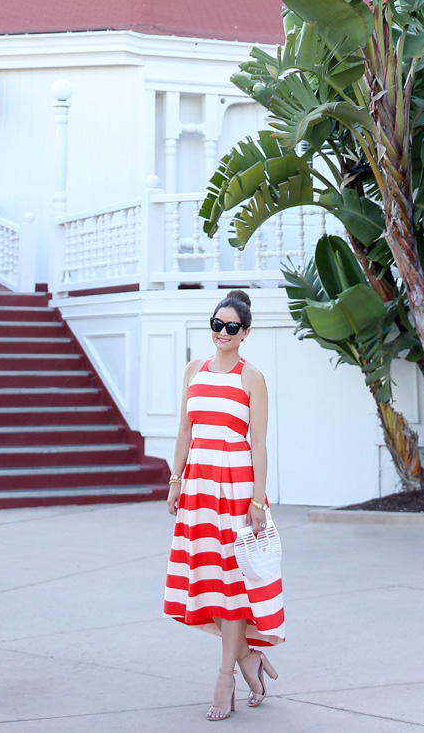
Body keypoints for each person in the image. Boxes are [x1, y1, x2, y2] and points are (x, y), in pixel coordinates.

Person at [163, 289, 285, 719]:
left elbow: (258, 444)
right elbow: (184, 432)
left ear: (245, 332)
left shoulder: (251, 377)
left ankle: (226, 678)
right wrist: (175, 481)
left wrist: (257, 500)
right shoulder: (193, 370)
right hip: (197, 488)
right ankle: (249, 656)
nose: (223, 333)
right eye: (217, 324)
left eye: (232, 327)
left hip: (236, 490)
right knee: (205, 583)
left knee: (233, 588)